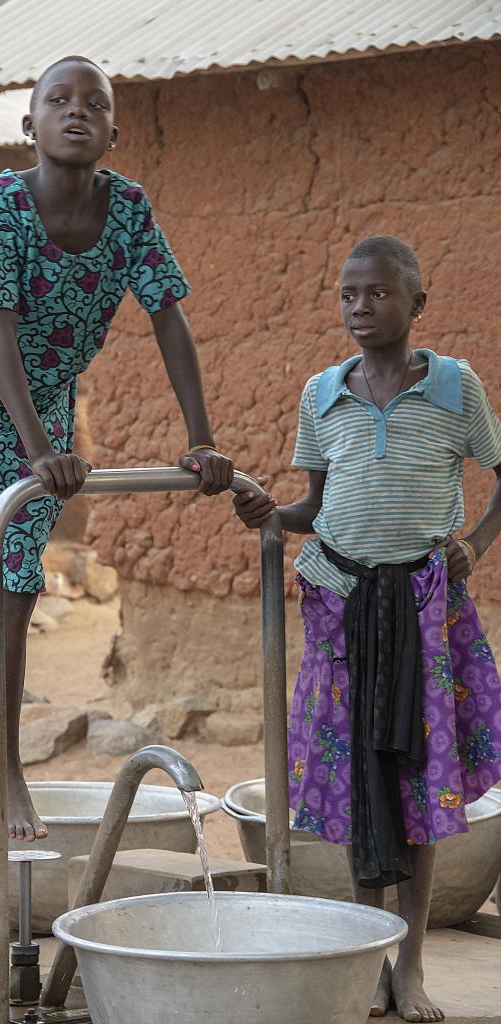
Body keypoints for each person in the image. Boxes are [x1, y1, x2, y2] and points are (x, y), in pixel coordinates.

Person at [0, 55, 233, 842]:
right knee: (14, 569)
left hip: (45, 392)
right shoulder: (2, 203)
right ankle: (3, 766)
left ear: (114, 130)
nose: (75, 111)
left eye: (95, 103)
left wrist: (202, 438)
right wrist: (41, 446)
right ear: (29, 125)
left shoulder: (128, 209)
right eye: (57, 100)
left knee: (5, 556)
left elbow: (167, 317)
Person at [234, 235, 501, 1023]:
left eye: (378, 293)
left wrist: (474, 548)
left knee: (417, 782)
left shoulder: (456, 389)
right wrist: (268, 515)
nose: (360, 307)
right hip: (341, 609)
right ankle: (372, 959)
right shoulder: (322, 393)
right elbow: (309, 511)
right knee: (355, 783)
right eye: (348, 294)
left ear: (415, 304)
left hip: (424, 610)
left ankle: (410, 964)